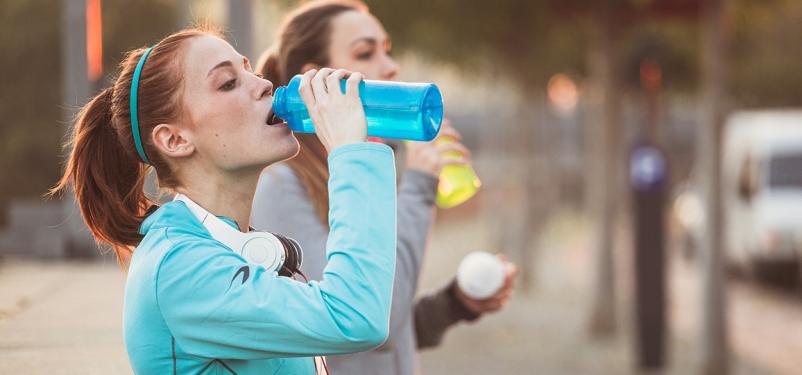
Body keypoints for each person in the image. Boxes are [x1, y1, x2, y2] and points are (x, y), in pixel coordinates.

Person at [51, 27, 400, 374]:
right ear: (174, 139)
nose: (264, 84)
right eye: (228, 83)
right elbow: (354, 317)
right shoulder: (181, 268)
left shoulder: (219, 247)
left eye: (250, 69)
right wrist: (352, 154)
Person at [252, 1, 517, 374]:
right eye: (365, 52)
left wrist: (456, 303)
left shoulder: (360, 175)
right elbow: (372, 326)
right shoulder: (280, 186)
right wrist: (419, 188)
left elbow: (385, 337)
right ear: (318, 81)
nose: (391, 67)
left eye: (387, 50)